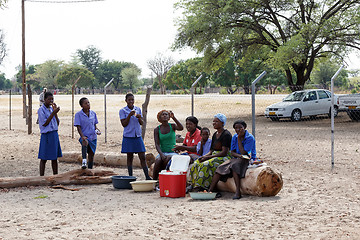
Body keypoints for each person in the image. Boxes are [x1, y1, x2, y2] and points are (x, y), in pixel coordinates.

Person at [208, 120, 257, 199]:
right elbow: (232, 152)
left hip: (248, 158)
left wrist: (239, 139)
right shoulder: (234, 137)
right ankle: (210, 190)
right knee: (221, 167)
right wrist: (239, 156)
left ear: (244, 128)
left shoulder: (249, 138)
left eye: (240, 128)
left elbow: (244, 152)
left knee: (234, 166)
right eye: (236, 128)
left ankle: (238, 192)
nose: (238, 130)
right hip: (237, 157)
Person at [189, 113, 232, 191]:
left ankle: (202, 186)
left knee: (205, 164)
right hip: (214, 155)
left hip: (223, 157)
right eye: (213, 121)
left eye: (216, 121)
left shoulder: (226, 134)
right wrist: (205, 156)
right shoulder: (215, 134)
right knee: (196, 163)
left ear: (222, 123)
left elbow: (224, 152)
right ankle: (193, 184)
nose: (214, 123)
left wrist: (209, 157)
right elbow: (211, 150)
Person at [119, 93, 151, 180]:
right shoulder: (123, 111)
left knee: (142, 156)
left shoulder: (138, 109)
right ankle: (130, 176)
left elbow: (141, 123)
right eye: (129, 100)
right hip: (128, 136)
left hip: (137, 136)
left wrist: (139, 118)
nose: (131, 101)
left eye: (132, 100)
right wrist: (129, 115)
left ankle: (147, 176)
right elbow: (124, 124)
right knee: (130, 157)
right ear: (126, 101)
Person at [152, 110, 183, 180]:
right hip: (163, 152)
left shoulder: (172, 126)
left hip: (173, 152)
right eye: (163, 115)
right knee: (158, 161)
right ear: (159, 118)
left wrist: (174, 117)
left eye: (166, 114)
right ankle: (154, 180)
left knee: (168, 159)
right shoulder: (157, 129)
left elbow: (181, 128)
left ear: (169, 117)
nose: (165, 116)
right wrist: (161, 154)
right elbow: (157, 144)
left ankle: (163, 179)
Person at [37, 91, 62, 176]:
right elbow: (45, 123)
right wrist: (53, 113)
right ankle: (41, 176)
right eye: (49, 99)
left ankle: (55, 175)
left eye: (52, 99)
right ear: (44, 100)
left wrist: (55, 113)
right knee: (44, 157)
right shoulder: (41, 110)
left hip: (54, 134)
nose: (51, 101)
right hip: (46, 135)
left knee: (54, 157)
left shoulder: (52, 109)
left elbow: (57, 123)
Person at [74, 97, 100, 169]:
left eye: (88, 102)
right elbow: (78, 127)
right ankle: (84, 161)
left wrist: (97, 130)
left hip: (93, 137)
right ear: (81, 105)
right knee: (84, 143)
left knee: (91, 154)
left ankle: (90, 169)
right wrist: (82, 136)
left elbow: (94, 125)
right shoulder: (78, 115)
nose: (88, 104)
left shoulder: (93, 113)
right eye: (85, 103)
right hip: (85, 135)